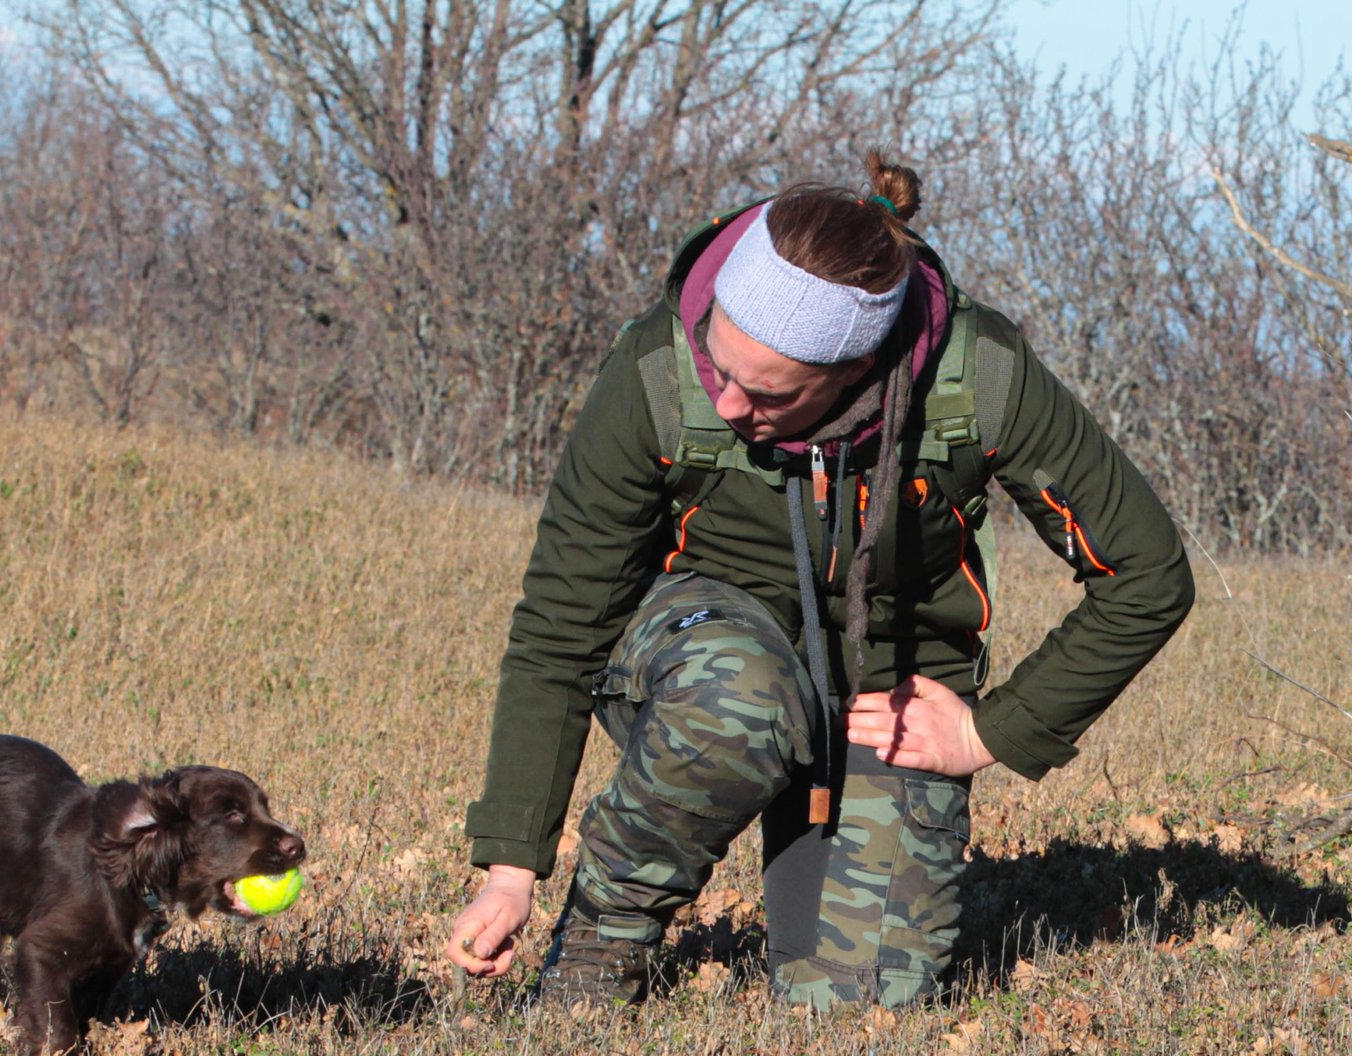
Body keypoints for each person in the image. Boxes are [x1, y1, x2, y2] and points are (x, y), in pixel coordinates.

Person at [444, 151, 1195, 1010]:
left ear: (853, 377)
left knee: (859, 1005)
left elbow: (1148, 574)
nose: (726, 404)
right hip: (707, 654)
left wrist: (991, 733)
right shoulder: (658, 371)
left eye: (766, 394)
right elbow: (561, 621)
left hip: (890, 700)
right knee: (741, 698)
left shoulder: (979, 377)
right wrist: (511, 866)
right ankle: (599, 943)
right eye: (718, 367)